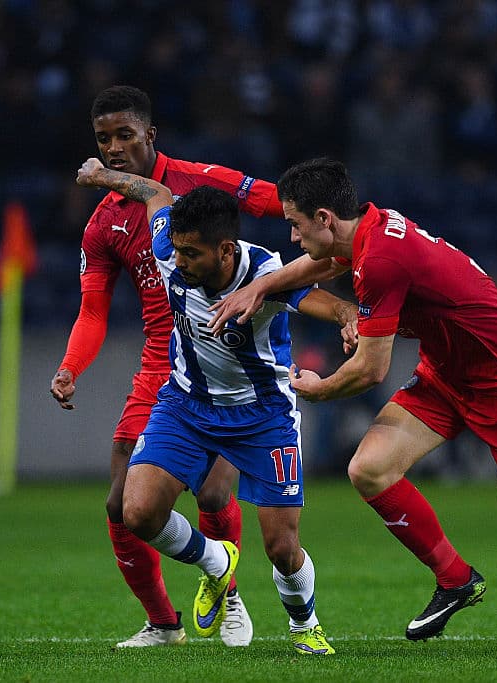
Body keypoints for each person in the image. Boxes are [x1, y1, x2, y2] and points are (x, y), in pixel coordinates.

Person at [209, 157, 497, 656]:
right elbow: (324, 263)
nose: (293, 238)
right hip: (447, 375)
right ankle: (455, 579)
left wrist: (317, 390)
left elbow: (369, 370)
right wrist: (260, 285)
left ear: (324, 218)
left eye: (296, 225)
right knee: (369, 469)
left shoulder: (381, 258)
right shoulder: (366, 233)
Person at [76, 159, 356, 654]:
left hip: (263, 416)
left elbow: (321, 299)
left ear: (226, 250)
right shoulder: (168, 247)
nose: (178, 263)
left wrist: (347, 316)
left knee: (282, 548)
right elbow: (155, 191)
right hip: (186, 406)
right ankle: (216, 562)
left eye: (192, 254)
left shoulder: (266, 271)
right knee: (134, 511)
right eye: (177, 251)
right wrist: (103, 177)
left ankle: (304, 625)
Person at [49, 85, 288, 648]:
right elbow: (92, 311)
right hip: (162, 366)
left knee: (211, 496)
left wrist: (340, 226)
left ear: (150, 135)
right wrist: (70, 366)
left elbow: (276, 202)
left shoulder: (197, 180)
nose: (112, 148)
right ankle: (164, 621)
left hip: (232, 362)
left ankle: (230, 599)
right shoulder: (102, 227)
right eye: (103, 139)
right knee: (119, 505)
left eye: (123, 135)